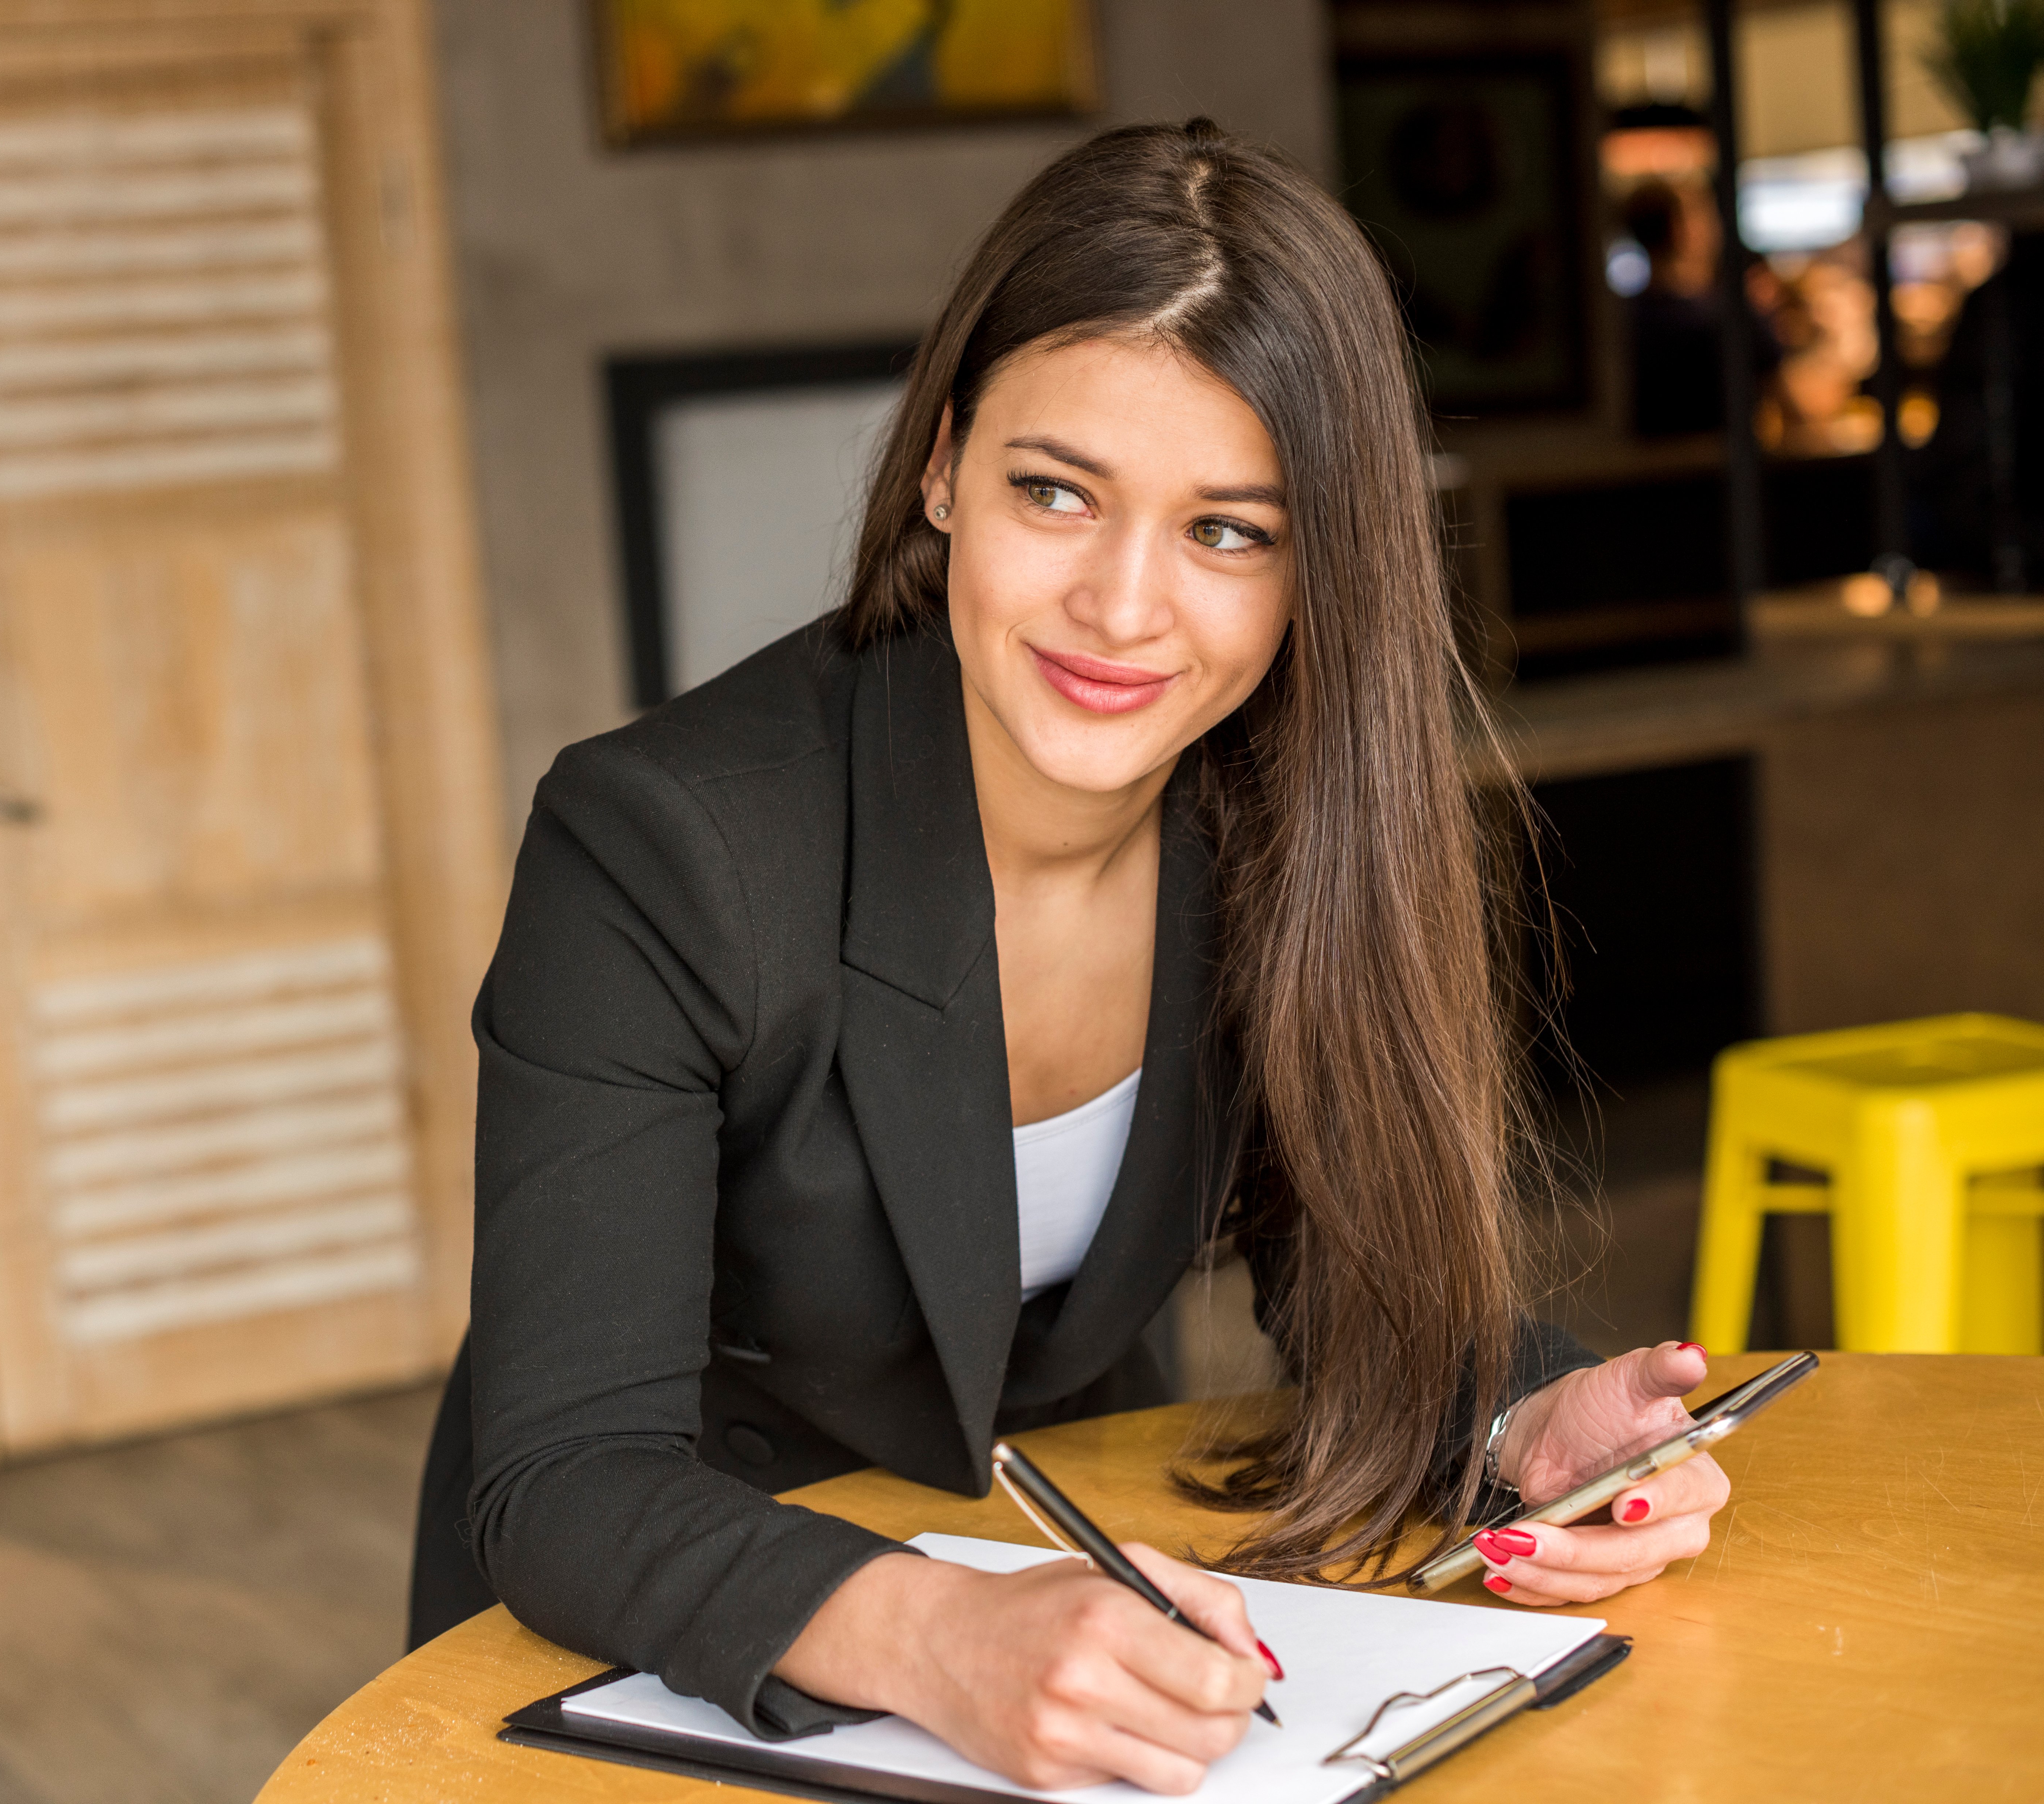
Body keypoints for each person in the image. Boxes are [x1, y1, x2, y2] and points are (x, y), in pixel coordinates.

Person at [412, 120, 1730, 1796]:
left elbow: (1336, 1270)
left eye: (1228, 532)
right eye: (1058, 491)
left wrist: (1513, 1426)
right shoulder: (661, 843)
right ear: (946, 467)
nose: (1122, 607)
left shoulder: (1282, 827)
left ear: (1318, 568)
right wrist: (938, 1637)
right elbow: (569, 1474)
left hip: (1066, 1620)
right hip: (663, 1651)